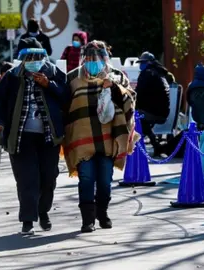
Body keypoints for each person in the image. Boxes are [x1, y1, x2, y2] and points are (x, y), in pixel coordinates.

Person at [0, 38, 67, 235]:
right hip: (20, 137)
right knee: (27, 179)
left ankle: (43, 212)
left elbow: (66, 96)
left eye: (37, 56)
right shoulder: (12, 76)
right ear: (22, 58)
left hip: (49, 137)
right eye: (29, 57)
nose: (34, 60)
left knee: (48, 178)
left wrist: (49, 85)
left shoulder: (53, 73)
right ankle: (28, 219)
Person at [63, 40, 138, 233]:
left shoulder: (117, 76)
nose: (92, 62)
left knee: (105, 181)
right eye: (88, 58)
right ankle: (87, 220)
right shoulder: (72, 78)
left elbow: (130, 100)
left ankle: (102, 213)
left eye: (97, 58)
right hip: (81, 139)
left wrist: (113, 87)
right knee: (86, 179)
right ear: (83, 58)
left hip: (108, 139)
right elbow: (63, 105)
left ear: (105, 58)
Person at [135, 51, 174, 156]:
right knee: (140, 117)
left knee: (135, 116)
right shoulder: (159, 73)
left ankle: (154, 145)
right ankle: (155, 145)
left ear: (149, 63)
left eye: (143, 62)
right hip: (162, 111)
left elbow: (138, 94)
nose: (141, 65)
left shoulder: (147, 74)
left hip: (154, 112)